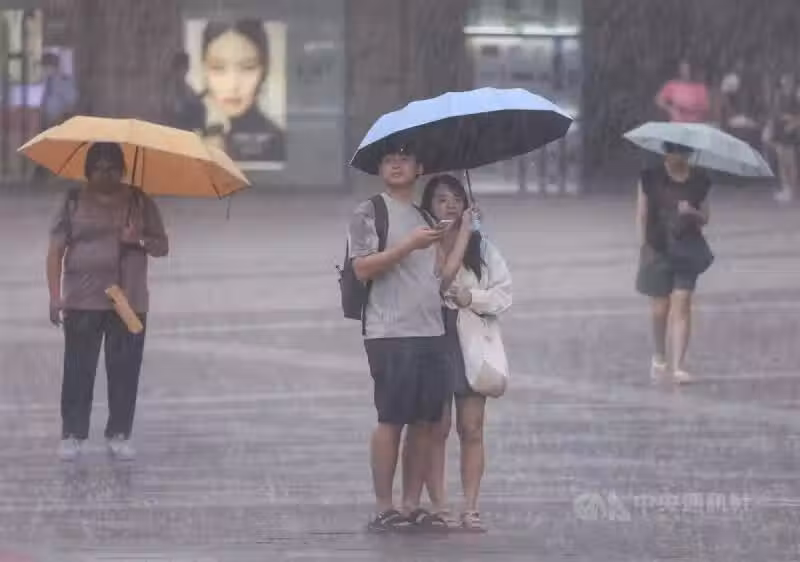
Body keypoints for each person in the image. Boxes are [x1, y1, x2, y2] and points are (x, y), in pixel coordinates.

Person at [347, 146, 452, 532]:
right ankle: (384, 506)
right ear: (379, 168)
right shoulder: (369, 212)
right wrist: (409, 245)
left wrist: (461, 232)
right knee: (391, 419)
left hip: (431, 330)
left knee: (425, 422)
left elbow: (441, 275)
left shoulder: (427, 217)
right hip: (390, 332)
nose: (395, 163)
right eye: (389, 158)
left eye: (405, 158)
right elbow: (362, 268)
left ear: (420, 167)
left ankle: (411, 504)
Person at [402, 174, 512, 532]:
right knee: (438, 427)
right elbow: (427, 287)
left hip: (471, 341)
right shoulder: (420, 245)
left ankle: (471, 507)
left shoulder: (483, 249)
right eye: (441, 199)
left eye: (456, 199)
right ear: (428, 207)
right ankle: (439, 505)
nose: (449, 205)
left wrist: (472, 298)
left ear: (466, 205)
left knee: (472, 428)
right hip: (433, 339)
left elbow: (503, 295)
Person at [47, 142, 169, 462]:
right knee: (78, 369)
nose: (106, 175)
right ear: (88, 170)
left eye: (112, 168)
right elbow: (55, 251)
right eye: (99, 169)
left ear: (123, 170)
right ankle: (73, 434)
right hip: (82, 299)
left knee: (125, 370)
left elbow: (162, 246)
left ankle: (119, 433)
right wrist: (55, 296)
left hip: (129, 301)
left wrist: (136, 239)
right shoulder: (73, 200)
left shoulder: (139, 201)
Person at [635, 142, 712, 385]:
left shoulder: (699, 180)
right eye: (674, 152)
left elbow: (706, 217)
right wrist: (643, 246)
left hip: (688, 246)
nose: (678, 157)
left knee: (683, 302)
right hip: (658, 247)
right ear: (666, 153)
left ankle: (678, 365)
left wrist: (692, 212)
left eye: (683, 153)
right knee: (660, 308)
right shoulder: (650, 178)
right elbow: (642, 214)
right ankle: (659, 355)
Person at [199, 20, 286, 163]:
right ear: (204, 70)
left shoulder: (278, 144)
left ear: (264, 70)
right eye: (218, 68)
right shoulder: (189, 136)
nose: (233, 85)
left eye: (248, 68)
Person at [33, 52, 78, 182]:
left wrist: (61, 119)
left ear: (54, 66)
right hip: (47, 119)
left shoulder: (63, 81)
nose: (44, 70)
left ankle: (45, 173)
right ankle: (44, 173)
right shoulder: (47, 82)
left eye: (45, 66)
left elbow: (71, 102)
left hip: (58, 120)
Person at [768, 72, 800, 203]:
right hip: (780, 133)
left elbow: (798, 117)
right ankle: (786, 189)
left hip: (790, 134)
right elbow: (775, 116)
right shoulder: (780, 98)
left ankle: (792, 190)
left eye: (788, 83)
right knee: (782, 162)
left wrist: (792, 122)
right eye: (784, 83)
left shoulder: (794, 99)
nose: (785, 86)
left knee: (790, 163)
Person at [161, 51, 205, 132]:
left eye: (186, 68)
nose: (184, 71)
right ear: (176, 69)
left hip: (187, 127)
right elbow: (171, 108)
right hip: (173, 127)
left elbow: (196, 104)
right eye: (182, 68)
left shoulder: (188, 87)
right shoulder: (169, 87)